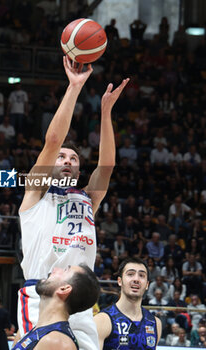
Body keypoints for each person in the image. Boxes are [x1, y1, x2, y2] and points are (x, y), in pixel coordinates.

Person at [17, 55, 129, 350]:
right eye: (62, 158)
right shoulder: (35, 191)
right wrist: (75, 87)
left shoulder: (87, 198)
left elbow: (107, 164)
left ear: (78, 170)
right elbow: (53, 140)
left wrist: (105, 112)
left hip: (80, 297)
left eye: (74, 159)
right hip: (44, 293)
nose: (67, 161)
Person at [13, 264, 100, 350]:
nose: (54, 269)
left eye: (65, 270)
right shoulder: (43, 332)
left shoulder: (56, 342)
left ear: (64, 289)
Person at [94, 257, 162, 349]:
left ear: (147, 285)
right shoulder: (102, 320)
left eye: (141, 275)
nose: (136, 279)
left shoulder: (155, 323)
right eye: (130, 274)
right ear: (119, 281)